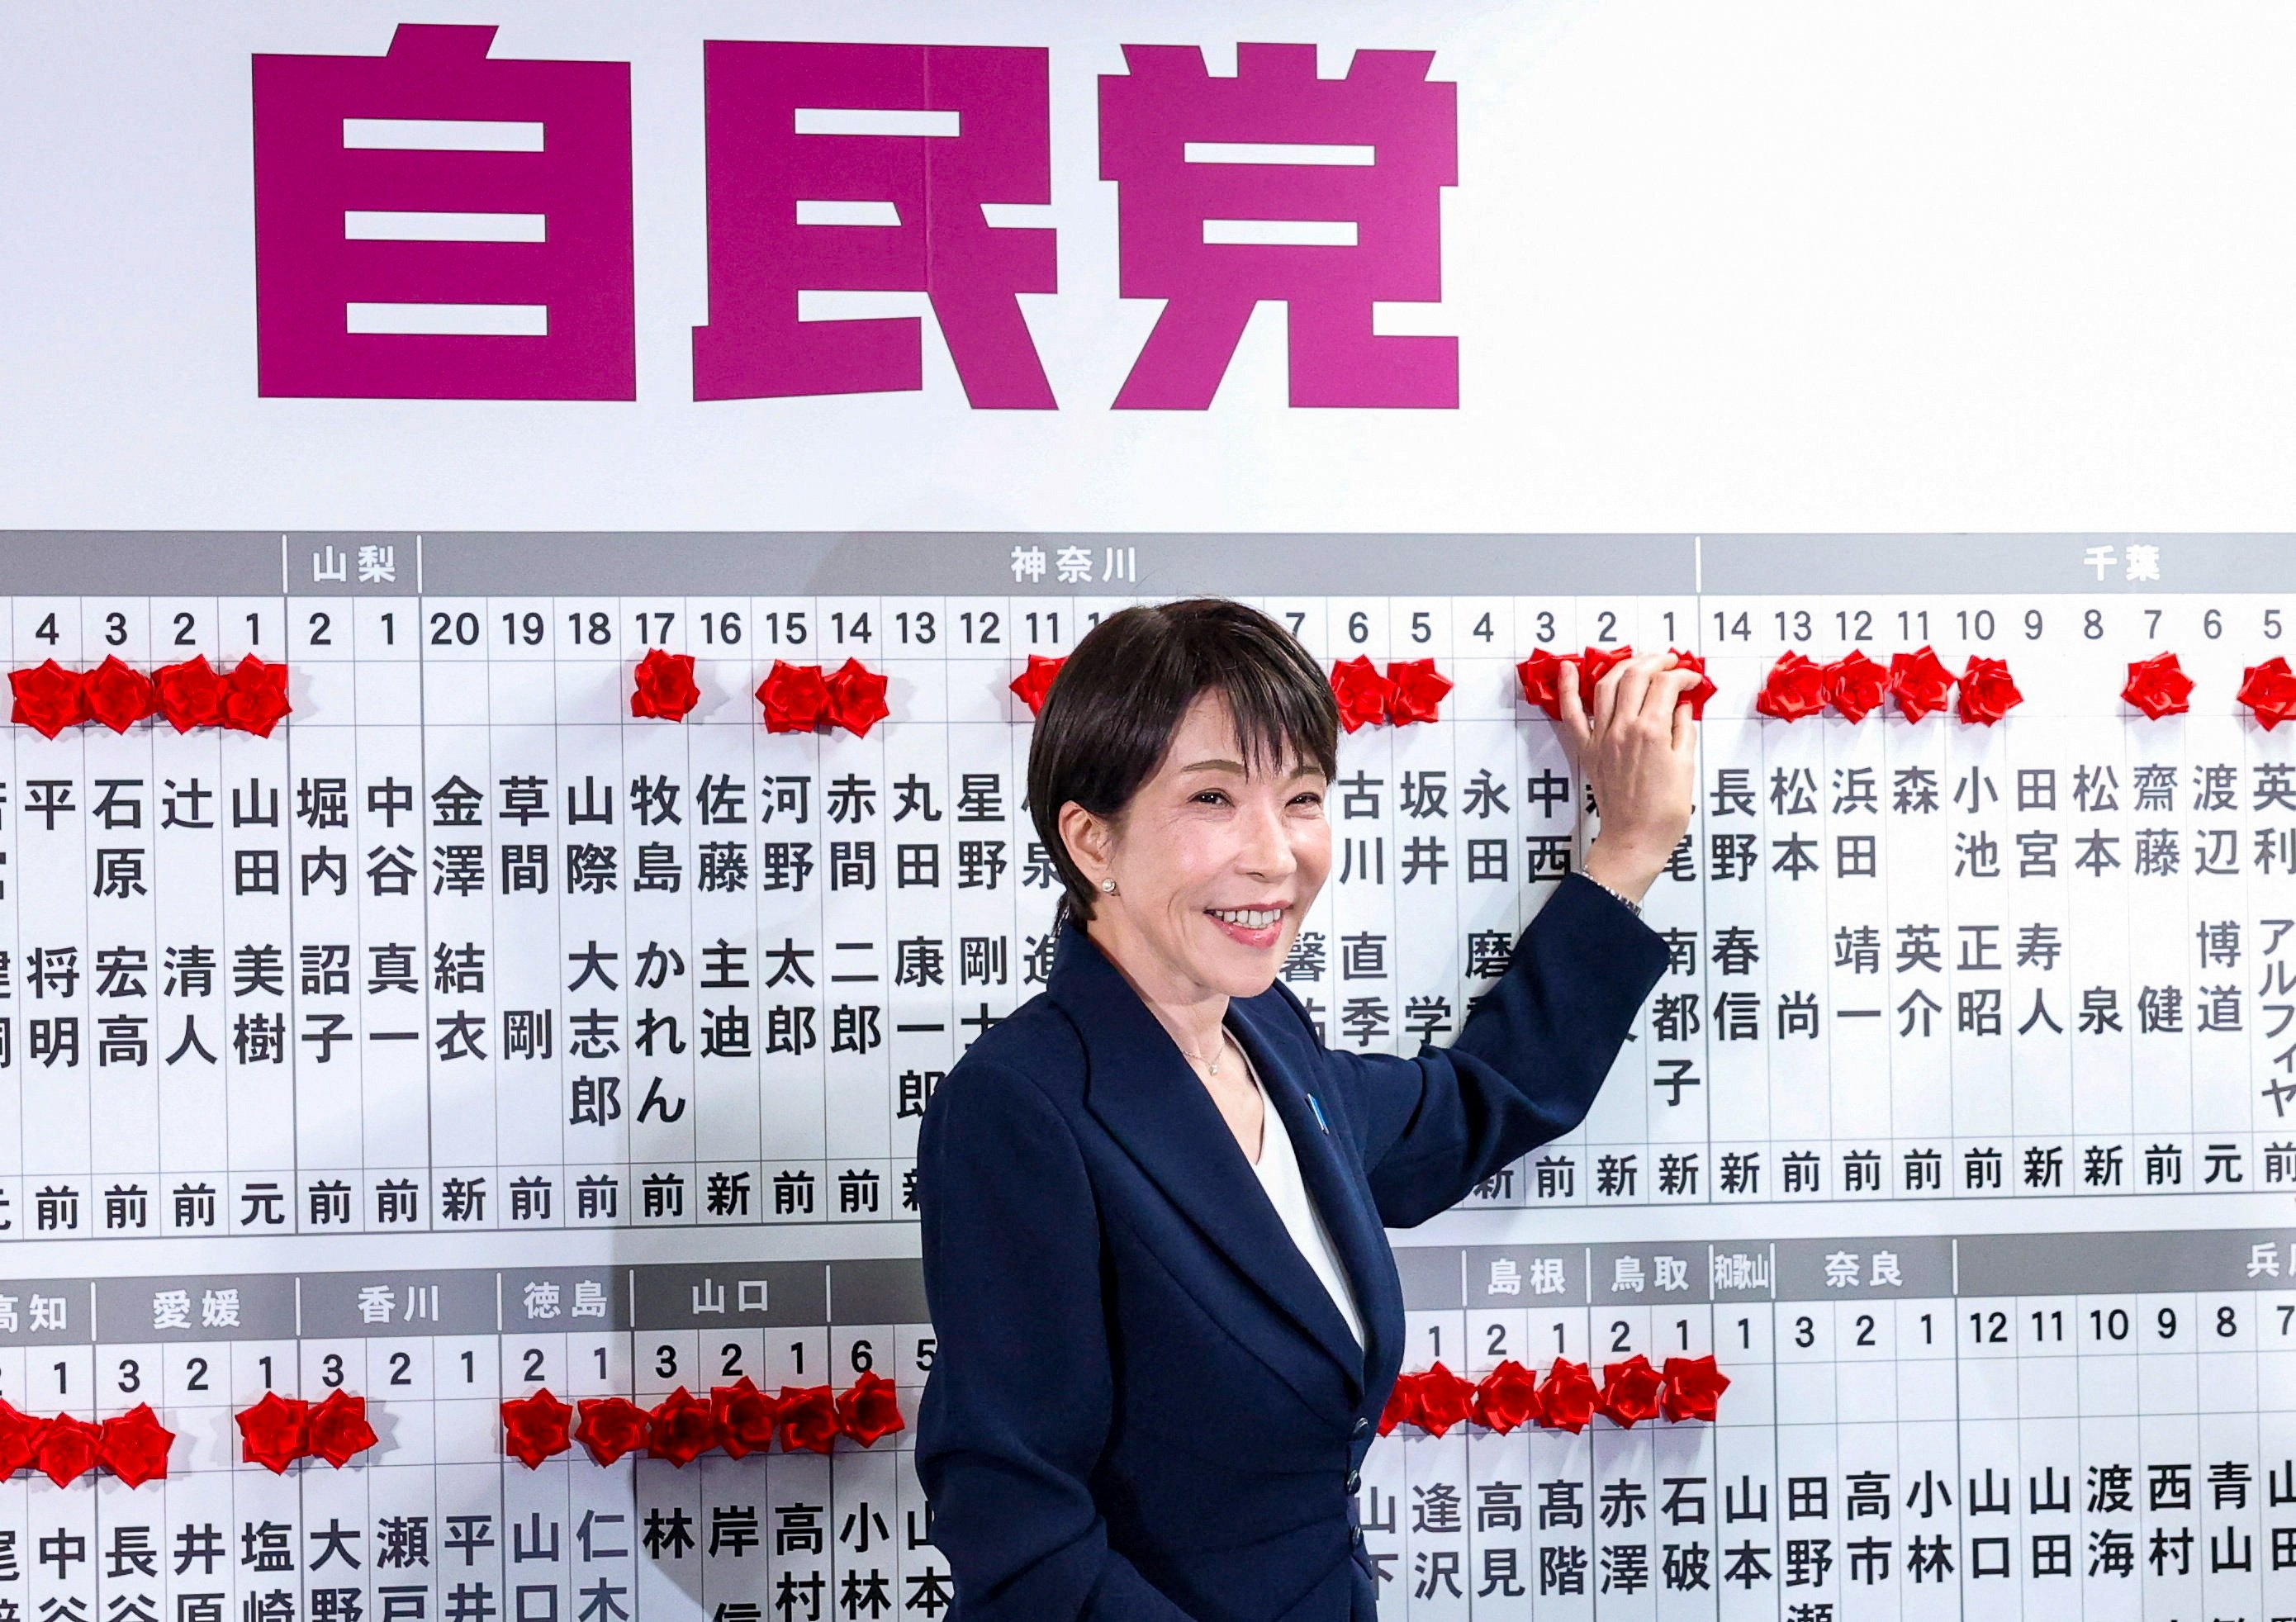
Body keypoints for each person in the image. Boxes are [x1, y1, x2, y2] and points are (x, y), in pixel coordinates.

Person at [914, 598, 1700, 1621]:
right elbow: (1020, 1538)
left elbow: (1469, 1105)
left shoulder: (1264, 1031)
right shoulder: (1021, 1105)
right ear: (1089, 839)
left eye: (1301, 796)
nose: (1274, 853)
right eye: (1211, 797)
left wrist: (1626, 854)